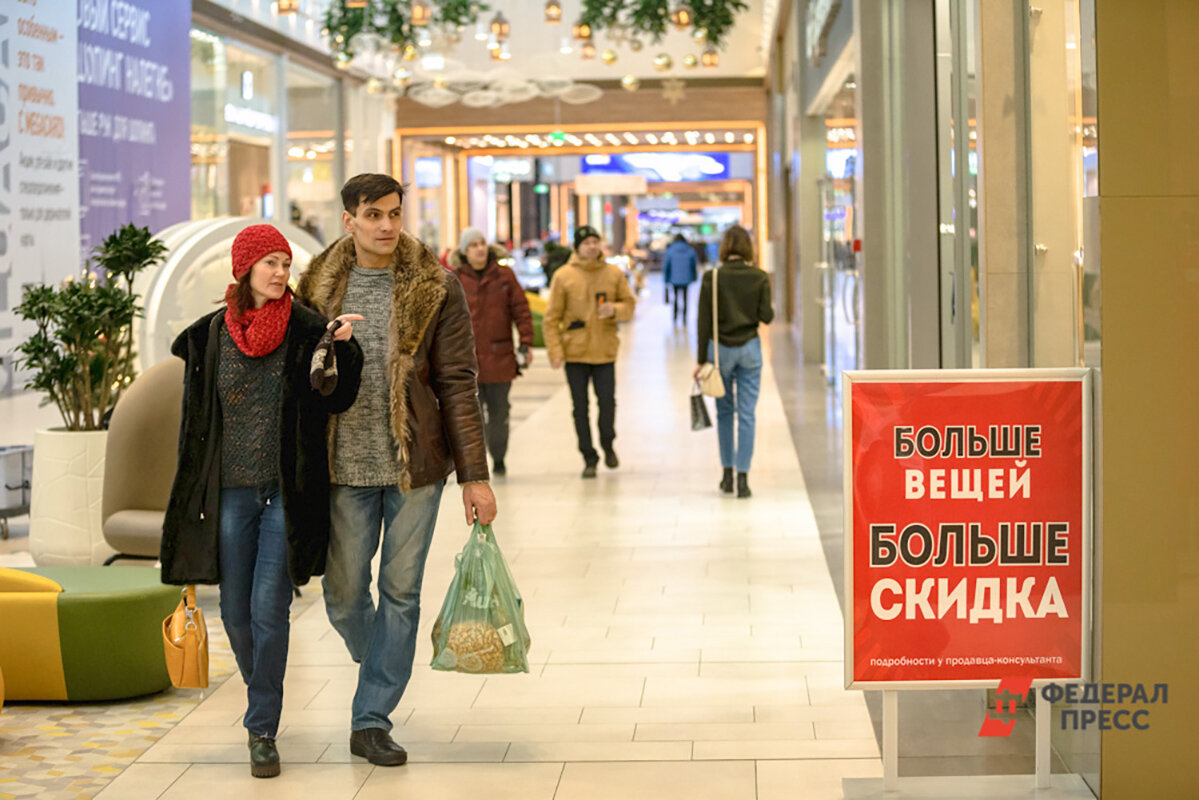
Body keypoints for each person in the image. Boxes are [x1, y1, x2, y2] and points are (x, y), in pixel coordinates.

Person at [296, 174, 496, 767]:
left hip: (417, 467)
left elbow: (459, 382)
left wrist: (475, 476)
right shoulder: (316, 288)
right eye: (374, 214)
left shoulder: (436, 286)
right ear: (348, 221)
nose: (387, 225)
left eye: (394, 213)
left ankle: (371, 717)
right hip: (342, 467)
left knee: (400, 593)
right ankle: (384, 661)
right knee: (343, 594)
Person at [161, 224, 364, 779]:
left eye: (283, 263)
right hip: (229, 492)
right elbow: (193, 427)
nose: (279, 273)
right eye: (269, 263)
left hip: (284, 492)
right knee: (234, 612)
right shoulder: (209, 337)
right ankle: (264, 694)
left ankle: (261, 727)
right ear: (244, 269)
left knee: (269, 609)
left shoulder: (308, 329)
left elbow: (337, 398)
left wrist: (343, 351)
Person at [543, 225, 637, 478]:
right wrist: (555, 350)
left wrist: (615, 310)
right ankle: (588, 455)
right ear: (578, 247)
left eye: (596, 241)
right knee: (580, 407)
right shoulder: (564, 276)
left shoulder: (613, 274)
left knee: (607, 403)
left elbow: (629, 305)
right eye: (587, 243)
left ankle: (608, 442)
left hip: (604, 350)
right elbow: (551, 318)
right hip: (575, 352)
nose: (592, 246)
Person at [693, 225, 775, 499]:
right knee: (748, 413)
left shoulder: (712, 278)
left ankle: (726, 474)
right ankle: (743, 478)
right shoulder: (759, 277)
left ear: (725, 247)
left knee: (725, 412)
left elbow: (703, 321)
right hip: (750, 348)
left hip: (719, 350)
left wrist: (700, 359)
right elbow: (767, 317)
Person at [451, 227, 535, 477]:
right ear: (465, 252)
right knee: (472, 416)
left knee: (499, 413)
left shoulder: (504, 276)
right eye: (473, 245)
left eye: (482, 243)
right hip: (467, 361)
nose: (480, 248)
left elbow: (521, 309)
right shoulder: (455, 279)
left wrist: (526, 342)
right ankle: (477, 463)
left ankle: (498, 456)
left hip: (500, 357)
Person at [662, 233, 699, 324]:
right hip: (686, 278)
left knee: (675, 298)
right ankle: (684, 318)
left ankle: (674, 318)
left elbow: (666, 266)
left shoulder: (670, 250)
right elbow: (694, 265)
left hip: (674, 279)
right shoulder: (690, 250)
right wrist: (694, 277)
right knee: (685, 298)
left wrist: (666, 279)